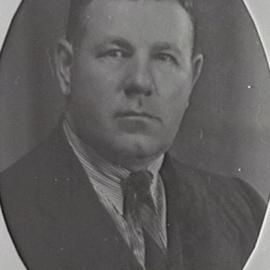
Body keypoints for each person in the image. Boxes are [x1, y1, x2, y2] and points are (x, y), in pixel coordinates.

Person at [0, 0, 266, 269]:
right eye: (116, 53)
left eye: (164, 57)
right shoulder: (12, 206)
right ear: (66, 67)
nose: (140, 81)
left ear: (192, 78)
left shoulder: (243, 213)